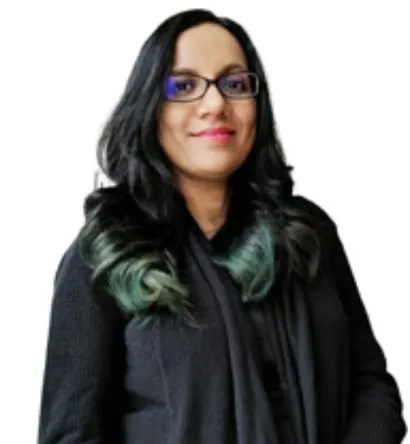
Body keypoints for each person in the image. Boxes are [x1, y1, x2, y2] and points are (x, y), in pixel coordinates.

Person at [37, 8, 407, 444]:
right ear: (150, 108)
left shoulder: (307, 235)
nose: (215, 104)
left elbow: (371, 386)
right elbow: (71, 434)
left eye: (234, 85)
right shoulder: (107, 253)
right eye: (183, 86)